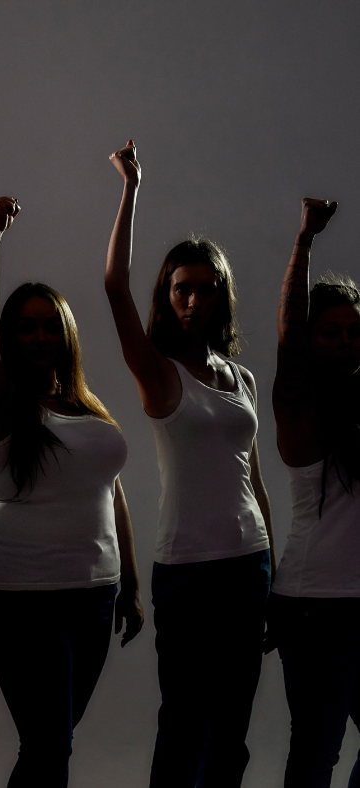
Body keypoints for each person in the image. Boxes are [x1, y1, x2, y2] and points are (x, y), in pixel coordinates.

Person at [104, 141, 274, 787]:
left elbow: (251, 478)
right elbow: (114, 285)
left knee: (230, 734)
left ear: (222, 295)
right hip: (187, 572)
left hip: (248, 564)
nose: (193, 300)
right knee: (184, 724)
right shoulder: (159, 373)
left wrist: (273, 570)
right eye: (182, 289)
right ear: (168, 295)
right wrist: (131, 186)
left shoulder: (241, 377)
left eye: (206, 289)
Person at [0, 196, 143, 787]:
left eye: (50, 325)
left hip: (94, 594)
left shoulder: (83, 405)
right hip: (22, 596)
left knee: (51, 744)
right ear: (10, 337)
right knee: (50, 747)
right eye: (26, 326)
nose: (39, 336)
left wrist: (132, 583)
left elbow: (111, 492)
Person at [269, 197, 360, 787]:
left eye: (355, 332)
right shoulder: (298, 403)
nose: (345, 342)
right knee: (318, 751)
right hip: (316, 604)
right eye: (331, 333)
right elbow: (290, 340)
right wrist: (305, 241)